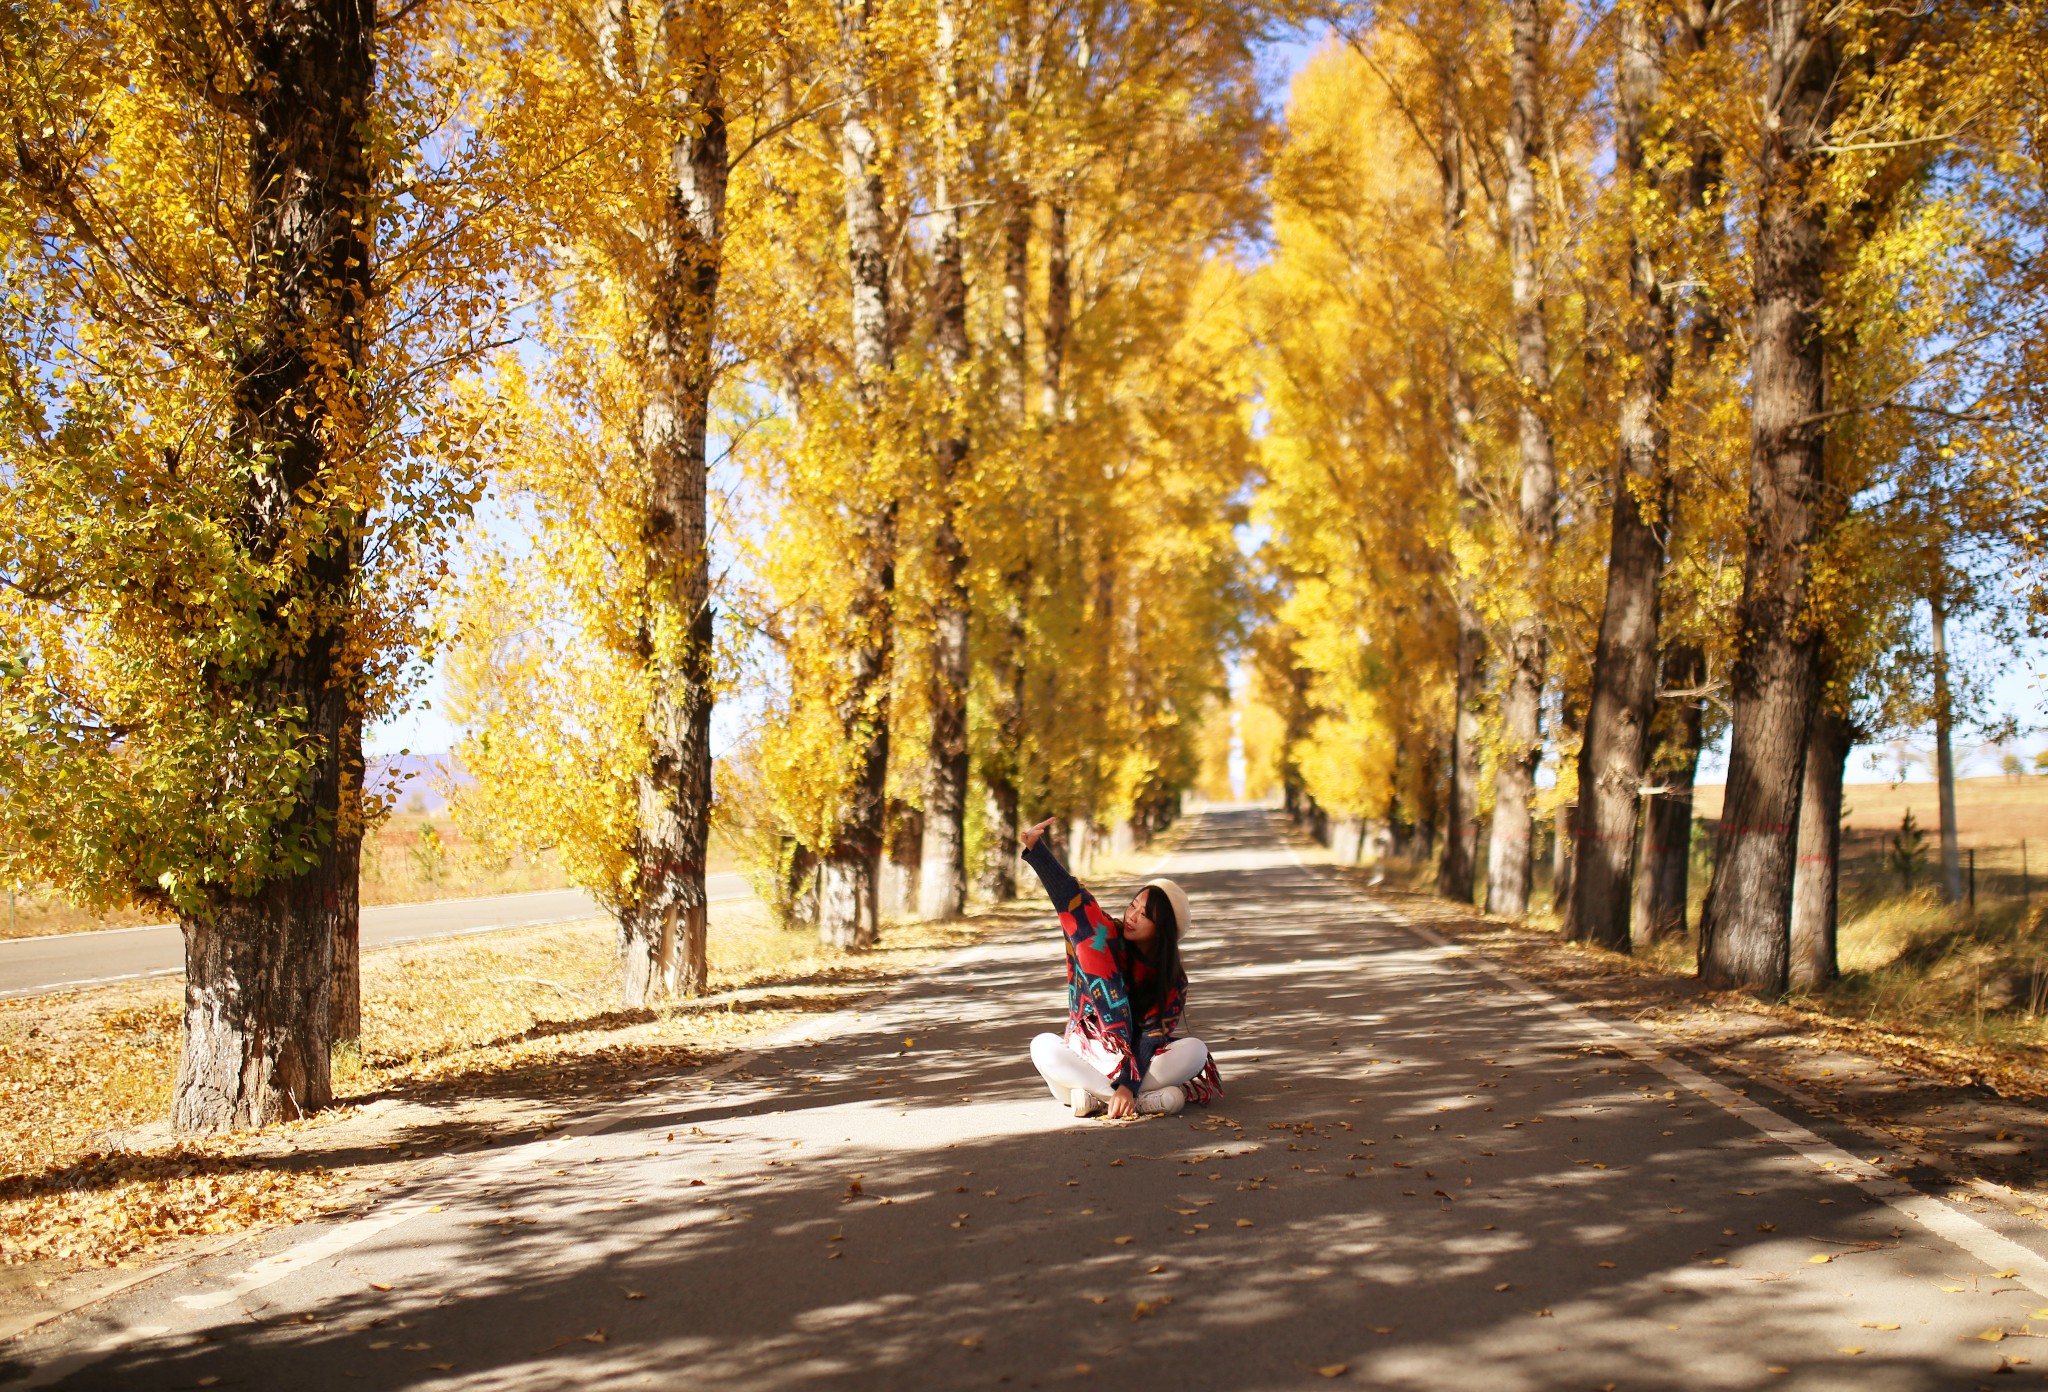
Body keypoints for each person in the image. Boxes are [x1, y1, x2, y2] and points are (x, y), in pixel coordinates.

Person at [1018, 816, 1223, 1118]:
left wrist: (1129, 1081)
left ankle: (1100, 1099)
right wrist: (1038, 850)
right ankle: (1136, 1102)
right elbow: (1073, 900)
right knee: (1043, 1047)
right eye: (1134, 906)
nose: (1133, 916)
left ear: (1162, 929)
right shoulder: (1104, 937)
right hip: (1089, 1050)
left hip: (1138, 1062)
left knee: (1194, 1051)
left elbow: (1152, 1037)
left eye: (1146, 914)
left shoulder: (1172, 980)